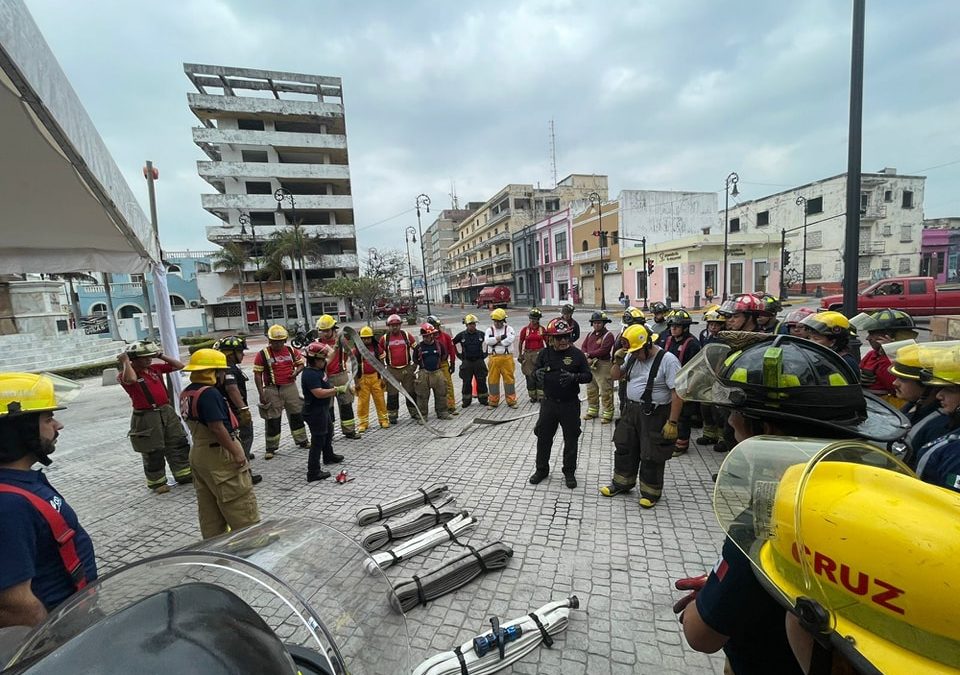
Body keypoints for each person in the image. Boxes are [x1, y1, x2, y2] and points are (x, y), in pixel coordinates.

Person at [673, 334, 908, 675]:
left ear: (764, 429)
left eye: (736, 413)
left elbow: (701, 635)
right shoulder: (875, 494)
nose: (729, 422)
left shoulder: (771, 518)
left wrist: (711, 596)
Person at [0, 373, 98, 628]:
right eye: (48, 418)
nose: (58, 425)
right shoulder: (8, 505)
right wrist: (54, 643)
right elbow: (16, 606)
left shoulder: (20, 480)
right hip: (61, 631)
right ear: (19, 429)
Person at [180, 349, 260, 539]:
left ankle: (215, 543)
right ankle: (252, 541)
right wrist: (237, 453)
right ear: (212, 372)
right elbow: (217, 428)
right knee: (238, 499)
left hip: (199, 453)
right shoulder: (209, 394)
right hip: (219, 454)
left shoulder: (188, 391)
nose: (224, 375)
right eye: (221, 371)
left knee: (209, 507)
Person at [600, 323, 683, 508]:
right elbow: (615, 376)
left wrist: (673, 422)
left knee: (651, 453)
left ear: (647, 345)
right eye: (632, 352)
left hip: (654, 414)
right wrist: (617, 361)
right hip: (630, 411)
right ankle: (622, 483)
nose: (635, 355)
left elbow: (677, 393)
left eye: (637, 352)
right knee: (625, 446)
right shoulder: (631, 355)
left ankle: (651, 492)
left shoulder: (668, 360)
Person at [116, 340, 192, 493]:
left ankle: (184, 474)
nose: (148, 359)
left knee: (177, 442)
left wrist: (160, 355)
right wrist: (125, 361)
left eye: (149, 356)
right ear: (134, 359)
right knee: (153, 450)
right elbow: (130, 380)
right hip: (146, 416)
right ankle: (157, 483)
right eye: (144, 357)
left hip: (166, 411)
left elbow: (180, 366)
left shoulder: (154, 369)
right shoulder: (125, 374)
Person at [529, 318, 592, 488]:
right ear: (551, 338)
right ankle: (541, 470)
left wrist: (575, 377)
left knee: (571, 439)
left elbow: (588, 376)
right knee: (543, 438)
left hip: (569, 405)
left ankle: (569, 472)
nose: (564, 340)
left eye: (566, 336)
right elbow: (534, 372)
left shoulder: (577, 354)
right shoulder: (544, 354)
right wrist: (537, 375)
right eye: (559, 338)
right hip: (549, 404)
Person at [253, 324, 309, 459]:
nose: (277, 344)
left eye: (280, 341)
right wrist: (261, 394)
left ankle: (302, 440)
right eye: (274, 341)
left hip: (290, 387)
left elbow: (301, 364)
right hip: (272, 389)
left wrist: (296, 372)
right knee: (272, 418)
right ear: (269, 341)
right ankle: (271, 448)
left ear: (285, 340)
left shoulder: (290, 351)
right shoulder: (262, 354)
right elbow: (257, 375)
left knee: (296, 414)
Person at [214, 336, 262, 485]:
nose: (243, 355)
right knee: (245, 438)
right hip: (234, 412)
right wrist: (243, 410)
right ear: (230, 353)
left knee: (238, 440)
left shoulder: (221, 367)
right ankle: (245, 472)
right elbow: (232, 388)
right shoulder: (229, 369)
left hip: (226, 412)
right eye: (240, 352)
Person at [851, 308, 920, 408]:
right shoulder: (872, 354)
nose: (867, 338)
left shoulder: (900, 359)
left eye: (872, 333)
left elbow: (896, 388)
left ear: (888, 336)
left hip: (887, 409)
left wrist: (891, 351)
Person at [301, 342, 348, 482]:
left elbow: (331, 356)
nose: (325, 361)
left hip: (322, 409)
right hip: (314, 412)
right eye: (322, 359)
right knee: (318, 440)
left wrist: (338, 343)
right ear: (315, 360)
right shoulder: (310, 374)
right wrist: (336, 390)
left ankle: (328, 456)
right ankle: (313, 472)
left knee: (328, 431)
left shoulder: (318, 367)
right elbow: (319, 393)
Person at [662, 309, 701, 457]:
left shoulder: (693, 344)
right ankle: (671, 438)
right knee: (670, 413)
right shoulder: (668, 340)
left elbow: (696, 369)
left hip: (686, 385)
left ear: (685, 328)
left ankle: (681, 444)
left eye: (677, 326)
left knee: (684, 416)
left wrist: (690, 387)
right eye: (671, 326)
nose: (673, 329)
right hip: (669, 384)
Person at [316, 314, 361, 439]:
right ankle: (329, 433)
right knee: (327, 407)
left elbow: (350, 356)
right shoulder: (317, 344)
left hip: (341, 376)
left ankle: (349, 431)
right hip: (324, 379)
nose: (324, 333)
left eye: (327, 330)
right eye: (322, 330)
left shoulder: (342, 341)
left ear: (333, 329)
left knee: (346, 403)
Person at [379, 314, 419, 424]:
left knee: (411, 392)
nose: (395, 327)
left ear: (400, 325)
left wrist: (414, 366)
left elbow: (417, 350)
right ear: (388, 326)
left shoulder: (406, 336)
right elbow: (379, 355)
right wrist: (384, 372)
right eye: (392, 325)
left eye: (397, 325)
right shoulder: (384, 339)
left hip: (407, 369)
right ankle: (392, 415)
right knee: (392, 394)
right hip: (392, 370)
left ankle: (414, 412)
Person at [694, 308, 726, 447]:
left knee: (718, 409)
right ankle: (709, 433)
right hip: (705, 374)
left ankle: (722, 436)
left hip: (719, 376)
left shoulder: (725, 338)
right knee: (705, 406)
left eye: (717, 325)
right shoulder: (704, 335)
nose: (713, 327)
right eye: (711, 324)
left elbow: (722, 357)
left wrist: (718, 374)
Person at [799, 311, 861, 379]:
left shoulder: (845, 362)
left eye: (816, 339)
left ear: (833, 342)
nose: (810, 341)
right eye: (809, 337)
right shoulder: (820, 357)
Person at [353, 326, 389, 432]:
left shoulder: (378, 349)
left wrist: (384, 379)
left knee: (380, 400)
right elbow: (354, 368)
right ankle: (363, 423)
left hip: (376, 378)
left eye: (368, 338)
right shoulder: (356, 351)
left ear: (372, 338)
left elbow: (382, 365)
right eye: (363, 338)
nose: (366, 340)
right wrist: (356, 382)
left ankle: (383, 420)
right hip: (362, 379)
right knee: (362, 402)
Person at [581, 311, 616, 423]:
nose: (597, 325)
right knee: (591, 389)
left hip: (603, 365)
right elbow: (583, 346)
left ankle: (608, 413)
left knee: (605, 390)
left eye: (599, 323)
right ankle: (592, 410)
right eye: (595, 323)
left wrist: (589, 355)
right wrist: (585, 355)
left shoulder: (608, 335)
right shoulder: (590, 335)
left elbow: (604, 350)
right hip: (590, 364)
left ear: (604, 323)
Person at [413, 323, 452, 420]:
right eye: (424, 336)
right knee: (422, 395)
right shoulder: (419, 347)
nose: (426, 338)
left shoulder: (439, 345)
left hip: (437, 372)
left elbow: (444, 356)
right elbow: (415, 359)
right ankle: (423, 415)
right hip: (423, 373)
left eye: (427, 336)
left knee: (441, 393)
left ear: (432, 335)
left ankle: (442, 412)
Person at [452, 314, 489, 407]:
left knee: (481, 381)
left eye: (474, 324)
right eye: (470, 324)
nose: (472, 326)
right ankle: (466, 401)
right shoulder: (461, 335)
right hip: (467, 362)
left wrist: (486, 353)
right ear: (466, 325)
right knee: (466, 382)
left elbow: (489, 341)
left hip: (479, 361)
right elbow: (452, 343)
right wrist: (457, 354)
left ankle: (483, 399)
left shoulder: (481, 334)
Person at [485, 308, 518, 408]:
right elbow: (488, 341)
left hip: (507, 358)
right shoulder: (489, 330)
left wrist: (495, 341)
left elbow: (510, 339)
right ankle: (493, 402)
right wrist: (500, 338)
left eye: (499, 321)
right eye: (495, 321)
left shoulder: (509, 329)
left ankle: (511, 401)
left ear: (503, 321)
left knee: (509, 380)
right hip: (493, 358)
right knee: (493, 381)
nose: (497, 323)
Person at [426, 315, 459, 415]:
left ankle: (451, 406)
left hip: (443, 364)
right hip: (432, 367)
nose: (436, 328)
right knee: (436, 387)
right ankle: (440, 407)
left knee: (448, 385)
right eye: (434, 326)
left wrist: (452, 363)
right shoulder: (427, 339)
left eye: (437, 326)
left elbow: (451, 350)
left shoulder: (445, 337)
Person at [518, 308, 547, 403]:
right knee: (529, 376)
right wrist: (520, 355)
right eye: (532, 318)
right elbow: (521, 342)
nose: (534, 321)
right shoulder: (525, 330)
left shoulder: (542, 329)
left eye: (536, 319)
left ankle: (541, 396)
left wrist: (549, 355)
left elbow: (547, 342)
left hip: (540, 355)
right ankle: (532, 396)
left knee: (540, 375)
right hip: (528, 355)